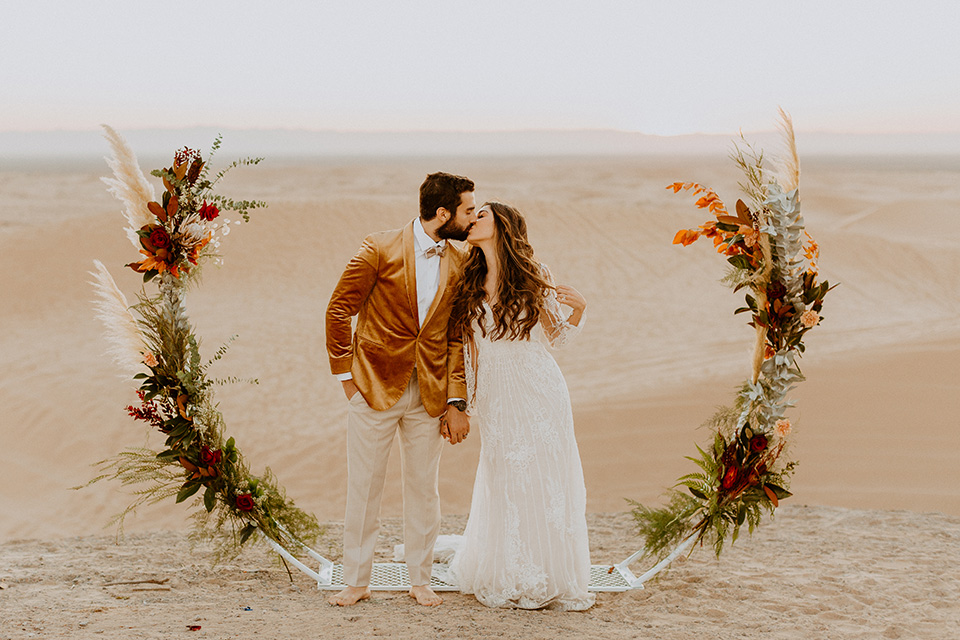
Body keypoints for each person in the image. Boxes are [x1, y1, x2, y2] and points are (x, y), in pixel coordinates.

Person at [325, 172, 477, 607]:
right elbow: (339, 310)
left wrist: (455, 399)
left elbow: (456, 336)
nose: (471, 217)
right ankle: (355, 580)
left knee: (424, 488)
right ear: (443, 213)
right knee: (365, 486)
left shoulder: (460, 261)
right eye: (466, 209)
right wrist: (345, 378)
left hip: (429, 394)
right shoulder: (379, 247)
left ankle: (420, 579)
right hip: (371, 388)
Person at [446, 201, 595, 610]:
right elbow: (464, 348)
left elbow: (557, 338)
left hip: (538, 387)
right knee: (505, 475)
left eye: (482, 217)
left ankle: (545, 570)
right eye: (472, 216)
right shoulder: (467, 276)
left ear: (503, 227)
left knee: (543, 476)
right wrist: (465, 403)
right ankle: (509, 567)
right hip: (495, 391)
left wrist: (579, 309)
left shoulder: (533, 275)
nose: (473, 221)